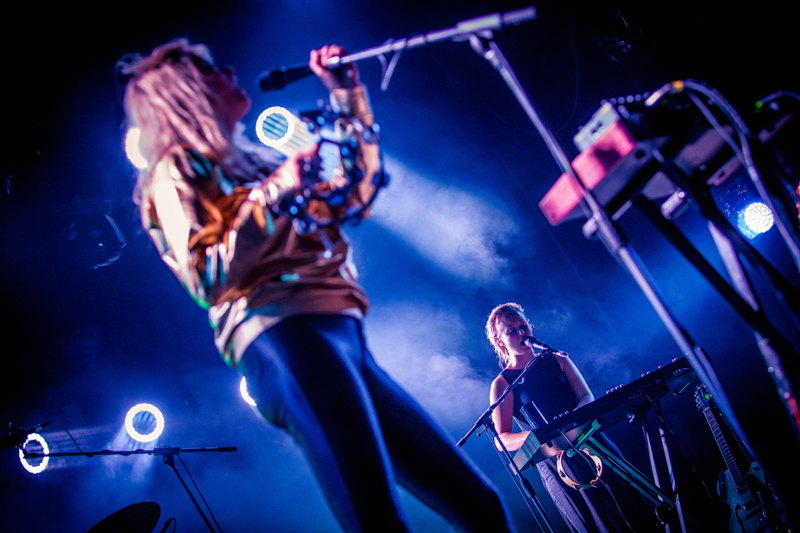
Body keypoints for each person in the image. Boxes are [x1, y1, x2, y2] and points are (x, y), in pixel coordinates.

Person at [119, 39, 516, 532]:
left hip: (340, 332)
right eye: (212, 69)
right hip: (281, 333)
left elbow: (354, 199)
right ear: (186, 93)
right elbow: (206, 276)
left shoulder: (258, 162)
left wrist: (348, 99)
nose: (230, 70)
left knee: (481, 507)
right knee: (380, 522)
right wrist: (276, 193)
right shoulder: (175, 170)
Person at [486, 303, 655, 533]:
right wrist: (540, 435)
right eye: (511, 330)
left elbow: (586, 396)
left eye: (523, 325)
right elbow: (502, 439)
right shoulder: (503, 383)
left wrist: (573, 422)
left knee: (635, 513)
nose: (521, 333)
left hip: (593, 444)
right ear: (499, 340)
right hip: (558, 465)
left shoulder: (557, 358)